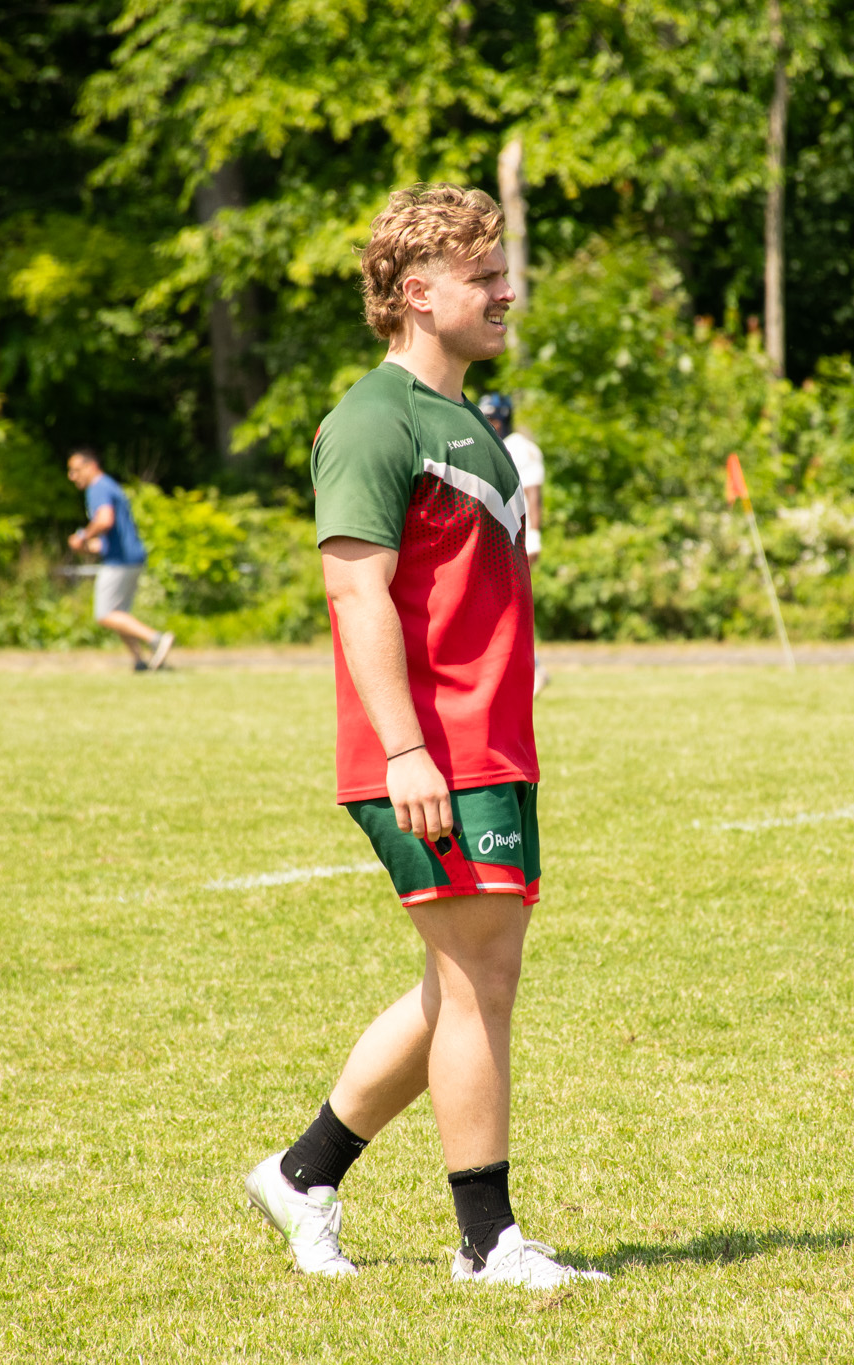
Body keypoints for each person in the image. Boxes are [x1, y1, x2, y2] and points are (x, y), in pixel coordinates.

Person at [242, 184, 607, 1291]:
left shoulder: (467, 423)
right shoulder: (371, 419)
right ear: (415, 293)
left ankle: (302, 1174)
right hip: (427, 751)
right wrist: (404, 751)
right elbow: (357, 600)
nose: (507, 292)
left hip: (485, 745)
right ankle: (487, 1240)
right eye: (484, 276)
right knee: (479, 983)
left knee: (460, 983)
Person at [64, 449, 174, 672]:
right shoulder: (110, 486)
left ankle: (156, 639)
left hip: (119, 560)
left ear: (91, 466)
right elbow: (114, 532)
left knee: (105, 614)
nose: (72, 476)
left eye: (75, 471)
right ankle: (139, 661)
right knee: (119, 612)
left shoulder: (98, 488)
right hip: (129, 555)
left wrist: (83, 537)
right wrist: (93, 546)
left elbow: (105, 520)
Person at [476, 391, 548, 694]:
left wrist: (533, 536)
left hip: (515, 537)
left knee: (511, 605)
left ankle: (532, 669)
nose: (489, 422)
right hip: (491, 538)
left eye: (493, 417)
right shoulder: (482, 442)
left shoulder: (521, 448)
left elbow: (534, 495)